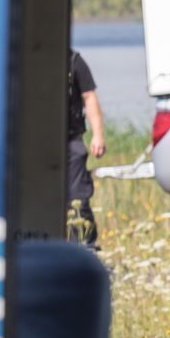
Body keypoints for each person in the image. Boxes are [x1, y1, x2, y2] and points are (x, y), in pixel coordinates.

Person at [67, 49, 106, 246]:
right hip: (37, 142)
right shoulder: (31, 60)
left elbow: (89, 96)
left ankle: (86, 245)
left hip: (71, 140)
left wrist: (97, 135)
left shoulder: (74, 60)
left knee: (78, 198)